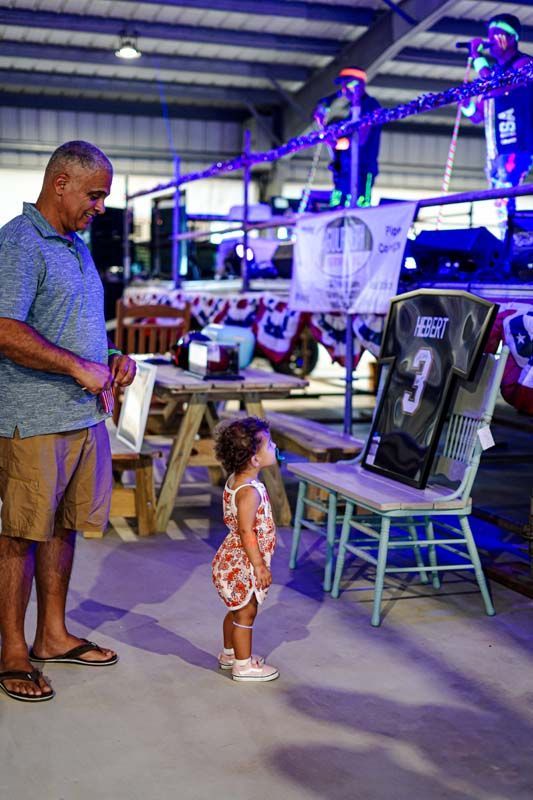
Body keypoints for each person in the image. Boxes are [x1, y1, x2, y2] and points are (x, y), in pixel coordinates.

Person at [0, 140, 137, 702]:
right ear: (61, 183)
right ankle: (10, 649)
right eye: (95, 194)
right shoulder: (20, 243)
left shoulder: (75, 246)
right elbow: (4, 329)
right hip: (32, 420)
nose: (101, 206)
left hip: (82, 417)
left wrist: (107, 360)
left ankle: (51, 636)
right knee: (19, 533)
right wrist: (76, 366)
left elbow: (65, 327)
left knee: (62, 527)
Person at [211, 417, 279, 682]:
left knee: (236, 608)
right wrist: (259, 565)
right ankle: (243, 665)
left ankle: (229, 654)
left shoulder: (235, 481)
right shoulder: (249, 492)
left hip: (230, 557)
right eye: (269, 444)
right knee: (246, 612)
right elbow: (246, 530)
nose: (274, 446)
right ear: (254, 460)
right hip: (243, 562)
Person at [461, 14, 533, 229]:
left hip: (516, 144)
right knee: (498, 201)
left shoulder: (524, 64)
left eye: (496, 35)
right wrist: (466, 105)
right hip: (495, 149)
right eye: (489, 35)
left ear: (511, 38)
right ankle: (508, 242)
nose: (490, 40)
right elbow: (478, 115)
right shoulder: (494, 74)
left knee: (504, 195)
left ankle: (511, 244)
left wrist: (477, 58)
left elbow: (499, 87)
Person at [314, 67, 382, 208]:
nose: (344, 89)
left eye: (348, 84)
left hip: (362, 170)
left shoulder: (369, 106)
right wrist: (322, 124)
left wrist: (336, 143)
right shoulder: (350, 114)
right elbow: (335, 142)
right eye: (343, 85)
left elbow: (360, 140)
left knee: (360, 208)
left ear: (360, 84)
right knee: (337, 208)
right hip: (345, 171)